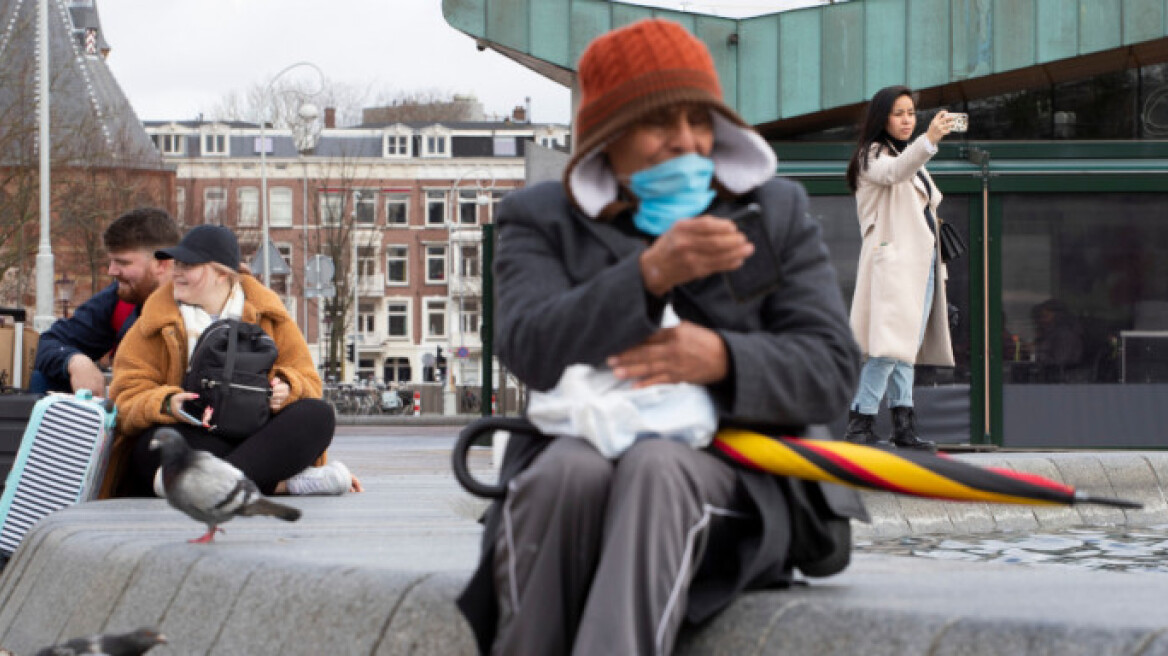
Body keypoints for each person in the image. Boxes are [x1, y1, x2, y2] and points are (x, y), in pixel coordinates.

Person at [456, 19, 865, 655]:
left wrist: (722, 359)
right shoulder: (542, 220)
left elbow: (832, 369)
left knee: (655, 468)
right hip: (577, 455)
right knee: (567, 473)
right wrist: (646, 277)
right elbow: (528, 345)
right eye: (658, 123)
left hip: (735, 478)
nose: (686, 142)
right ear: (607, 139)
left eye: (700, 121)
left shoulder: (771, 212)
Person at [104, 225, 362, 499]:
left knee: (318, 416)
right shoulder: (153, 323)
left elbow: (309, 382)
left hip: (254, 433)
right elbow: (123, 398)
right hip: (195, 434)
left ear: (221, 273)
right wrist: (168, 403)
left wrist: (287, 388)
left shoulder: (271, 315)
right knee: (152, 448)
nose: (176, 272)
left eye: (188, 264)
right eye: (176, 263)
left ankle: (201, 487)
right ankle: (281, 483)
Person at [843, 86, 956, 451]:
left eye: (911, 113)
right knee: (889, 348)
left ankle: (903, 425)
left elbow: (921, 191)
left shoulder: (906, 156)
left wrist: (922, 146)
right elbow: (893, 174)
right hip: (894, 265)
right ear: (882, 118)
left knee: (906, 347)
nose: (908, 120)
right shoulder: (871, 155)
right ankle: (860, 423)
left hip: (920, 265)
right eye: (899, 113)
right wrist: (930, 140)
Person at [31, 208, 182, 395]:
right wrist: (74, 361)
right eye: (111, 262)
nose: (111, 271)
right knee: (43, 377)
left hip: (175, 413)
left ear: (162, 264)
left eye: (123, 263)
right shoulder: (121, 298)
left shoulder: (196, 310)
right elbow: (49, 342)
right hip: (127, 406)